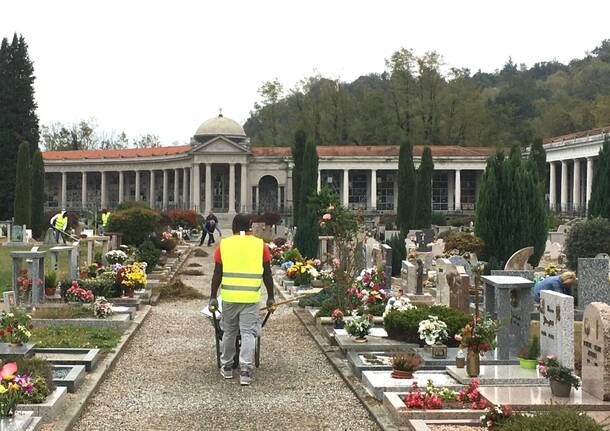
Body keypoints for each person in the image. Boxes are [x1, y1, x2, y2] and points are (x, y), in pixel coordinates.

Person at [209, 214, 275, 386]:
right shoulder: (260, 246)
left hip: (230, 297)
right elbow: (267, 273)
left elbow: (217, 273)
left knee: (229, 332)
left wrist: (212, 297)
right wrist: (271, 297)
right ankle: (245, 370)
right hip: (251, 297)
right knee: (248, 333)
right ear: (250, 226)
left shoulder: (224, 245)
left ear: (233, 228)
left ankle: (228, 367)